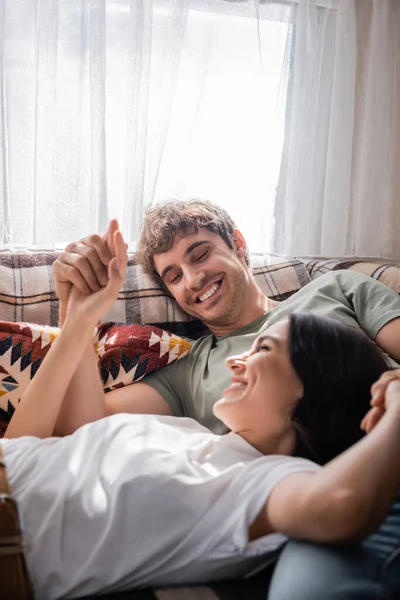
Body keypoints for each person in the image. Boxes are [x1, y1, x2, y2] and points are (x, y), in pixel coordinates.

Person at [3, 227, 400, 600]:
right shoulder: (188, 399)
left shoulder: (333, 291)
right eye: (173, 276)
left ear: (237, 243)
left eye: (200, 254)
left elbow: (340, 504)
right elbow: (71, 436)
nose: (192, 280)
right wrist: (78, 319)